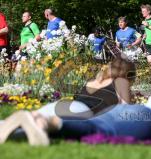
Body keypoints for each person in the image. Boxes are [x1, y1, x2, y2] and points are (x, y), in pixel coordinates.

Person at [0, 58, 136, 145]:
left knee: (31, 120)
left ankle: (5, 126)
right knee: (45, 126)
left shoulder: (93, 80)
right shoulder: (121, 81)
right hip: (82, 111)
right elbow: (125, 109)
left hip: (64, 104)